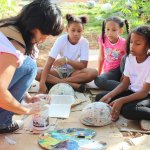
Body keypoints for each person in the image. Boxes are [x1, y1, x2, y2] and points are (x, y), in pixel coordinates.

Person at [0, 0, 63, 134]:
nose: (44, 39)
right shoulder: (12, 47)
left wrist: (27, 97)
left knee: (28, 64)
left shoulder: (8, 28)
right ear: (33, 25)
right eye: (44, 33)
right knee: (29, 66)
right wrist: (27, 110)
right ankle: (2, 122)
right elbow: (0, 92)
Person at [95, 25, 150, 131]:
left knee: (127, 110)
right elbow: (125, 83)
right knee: (101, 98)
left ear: (148, 46)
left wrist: (121, 101)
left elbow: (143, 92)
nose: (132, 46)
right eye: (131, 42)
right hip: (133, 92)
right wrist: (110, 95)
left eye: (138, 44)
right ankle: (137, 112)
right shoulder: (129, 58)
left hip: (146, 95)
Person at [37, 14, 98, 93]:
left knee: (93, 72)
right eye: (73, 30)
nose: (76, 33)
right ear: (67, 29)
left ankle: (57, 82)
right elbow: (50, 61)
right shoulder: (61, 40)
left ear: (83, 30)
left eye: (79, 31)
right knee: (37, 72)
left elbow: (83, 65)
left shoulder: (84, 42)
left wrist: (67, 60)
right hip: (58, 71)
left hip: (74, 73)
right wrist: (42, 83)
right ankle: (73, 85)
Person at [94, 16, 129, 91]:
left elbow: (129, 60)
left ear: (120, 31)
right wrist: (99, 73)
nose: (110, 33)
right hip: (108, 71)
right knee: (98, 80)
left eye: (114, 30)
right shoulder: (102, 38)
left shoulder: (124, 43)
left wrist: (125, 75)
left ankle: (128, 89)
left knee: (99, 81)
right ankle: (123, 87)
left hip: (118, 70)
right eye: (107, 29)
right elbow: (101, 57)